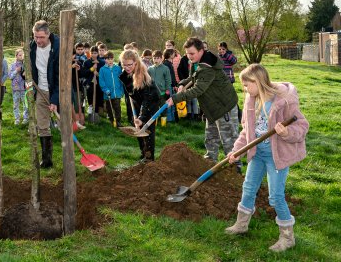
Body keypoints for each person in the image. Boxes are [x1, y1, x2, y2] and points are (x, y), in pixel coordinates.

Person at [225, 64, 309, 252]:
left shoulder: (284, 101)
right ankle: (241, 224)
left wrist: (286, 131)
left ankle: (287, 238)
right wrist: (236, 150)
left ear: (258, 81)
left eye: (247, 85)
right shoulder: (251, 100)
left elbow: (302, 127)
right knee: (248, 188)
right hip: (258, 153)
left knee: (276, 196)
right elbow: (247, 131)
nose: (244, 89)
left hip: (276, 155)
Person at [167, 37, 241, 169]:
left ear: (201, 50)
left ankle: (235, 172)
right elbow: (193, 78)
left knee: (229, 141)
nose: (189, 57)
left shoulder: (208, 67)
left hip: (224, 107)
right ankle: (209, 165)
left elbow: (198, 89)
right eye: (187, 54)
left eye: (192, 53)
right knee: (211, 138)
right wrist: (182, 83)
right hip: (211, 107)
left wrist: (175, 98)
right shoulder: (197, 62)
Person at [119, 50, 160, 162]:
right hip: (138, 100)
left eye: (129, 65)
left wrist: (142, 118)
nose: (126, 67)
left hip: (151, 102)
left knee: (147, 129)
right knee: (137, 127)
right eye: (124, 64)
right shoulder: (126, 74)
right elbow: (131, 92)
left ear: (136, 63)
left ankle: (149, 157)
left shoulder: (143, 77)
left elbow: (147, 100)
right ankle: (143, 154)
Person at [29, 20, 60, 168]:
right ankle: (47, 159)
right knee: (42, 125)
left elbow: (60, 77)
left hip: (58, 90)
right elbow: (30, 68)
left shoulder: (58, 47)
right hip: (40, 90)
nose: (38, 40)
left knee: (63, 123)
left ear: (48, 34)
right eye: (36, 37)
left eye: (41, 37)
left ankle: (68, 156)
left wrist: (54, 99)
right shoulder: (32, 47)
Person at [98, 51, 123, 126]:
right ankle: (112, 120)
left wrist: (121, 90)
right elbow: (101, 81)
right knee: (109, 108)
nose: (110, 60)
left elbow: (121, 80)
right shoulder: (102, 69)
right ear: (105, 60)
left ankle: (118, 121)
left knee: (117, 107)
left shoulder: (118, 68)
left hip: (117, 92)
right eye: (108, 59)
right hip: (108, 93)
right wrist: (105, 90)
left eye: (111, 59)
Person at [81, 46, 105, 116]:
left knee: (98, 95)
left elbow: (104, 74)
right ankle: (90, 105)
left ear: (98, 53)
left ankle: (97, 110)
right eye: (92, 53)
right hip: (89, 82)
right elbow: (83, 73)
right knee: (90, 92)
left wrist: (98, 74)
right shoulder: (87, 62)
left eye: (95, 53)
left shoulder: (102, 62)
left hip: (99, 83)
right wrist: (92, 69)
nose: (94, 55)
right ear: (90, 53)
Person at [9, 48, 29, 125]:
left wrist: (25, 74)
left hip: (24, 88)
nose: (21, 56)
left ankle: (25, 118)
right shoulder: (13, 65)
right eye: (20, 55)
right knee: (16, 104)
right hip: (16, 88)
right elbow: (10, 76)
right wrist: (16, 71)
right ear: (16, 56)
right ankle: (17, 119)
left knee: (25, 104)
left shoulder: (26, 65)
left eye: (22, 55)